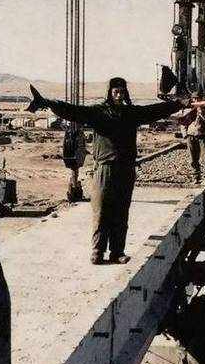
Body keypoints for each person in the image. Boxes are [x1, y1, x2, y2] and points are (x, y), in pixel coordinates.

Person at [27, 77, 188, 264]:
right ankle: (98, 251)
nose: (119, 95)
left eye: (121, 92)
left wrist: (178, 104)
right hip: (105, 168)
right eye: (115, 92)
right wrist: (48, 103)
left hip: (126, 168)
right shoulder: (98, 113)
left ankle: (117, 252)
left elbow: (154, 110)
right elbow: (73, 111)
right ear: (110, 93)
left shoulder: (131, 113)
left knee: (121, 211)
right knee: (101, 210)